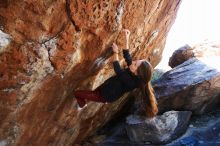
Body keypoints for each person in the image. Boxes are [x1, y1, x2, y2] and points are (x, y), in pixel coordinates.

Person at [74, 29, 158, 118]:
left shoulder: (132, 83)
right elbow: (127, 56)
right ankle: (85, 101)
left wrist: (115, 52)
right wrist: (126, 37)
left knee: (77, 93)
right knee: (91, 94)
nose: (132, 62)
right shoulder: (133, 70)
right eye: (135, 61)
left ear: (138, 73)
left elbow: (118, 70)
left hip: (106, 95)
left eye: (135, 64)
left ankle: (82, 104)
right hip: (106, 86)